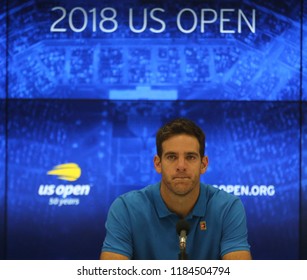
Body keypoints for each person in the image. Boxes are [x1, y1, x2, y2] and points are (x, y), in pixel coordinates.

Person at [100, 118, 252, 260]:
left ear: (204, 164)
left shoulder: (227, 208)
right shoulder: (126, 209)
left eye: (190, 157)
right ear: (158, 164)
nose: (181, 166)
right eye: (172, 157)